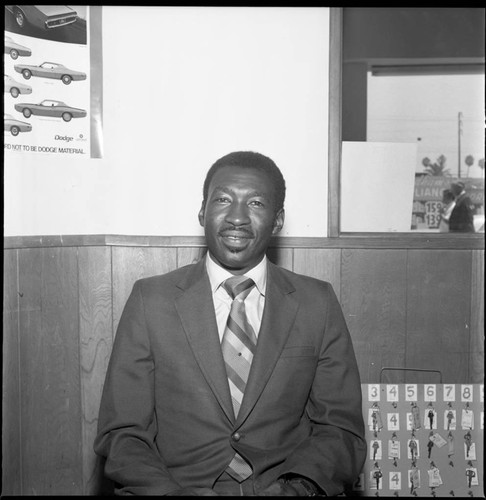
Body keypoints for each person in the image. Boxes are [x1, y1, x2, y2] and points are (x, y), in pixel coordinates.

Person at [94, 151, 366, 496]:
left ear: (278, 220)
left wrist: (297, 488)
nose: (236, 217)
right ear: (202, 211)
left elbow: (341, 429)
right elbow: (122, 433)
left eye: (255, 203)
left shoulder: (317, 303)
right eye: (223, 199)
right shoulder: (152, 300)